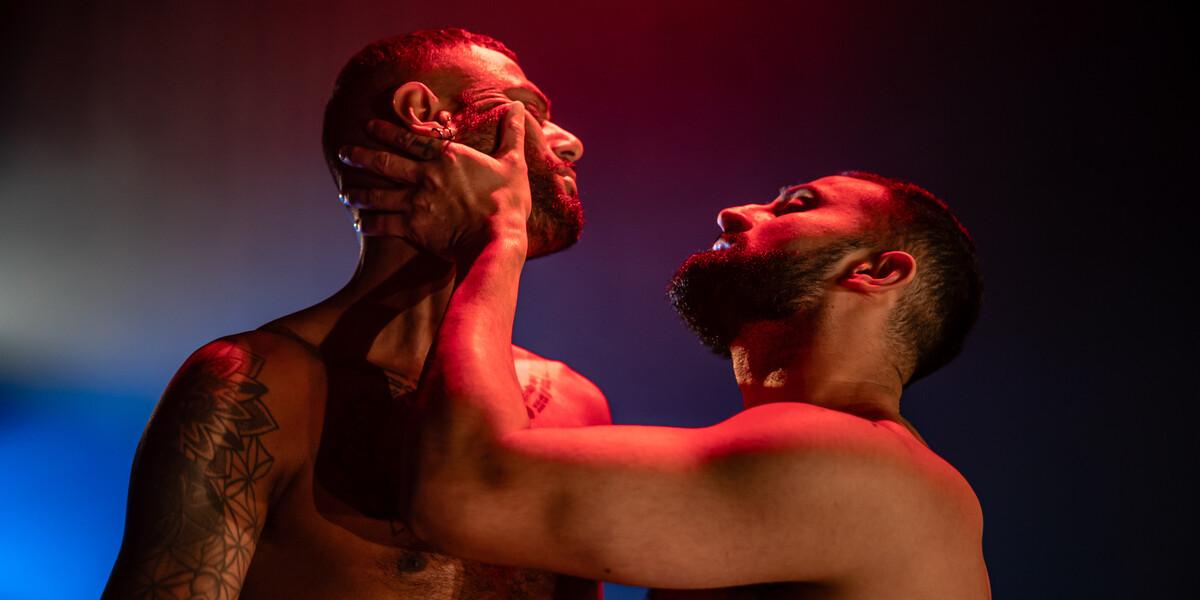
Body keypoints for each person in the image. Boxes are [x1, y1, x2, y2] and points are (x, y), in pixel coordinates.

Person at [363, 104, 990, 598]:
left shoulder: (864, 468)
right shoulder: (822, 461)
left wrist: (498, 233)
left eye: (798, 204)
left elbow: (465, 493)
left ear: (878, 272)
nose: (734, 213)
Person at [102, 29, 610, 600]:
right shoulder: (250, 386)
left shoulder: (575, 403)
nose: (569, 144)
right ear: (423, 116)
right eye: (531, 112)